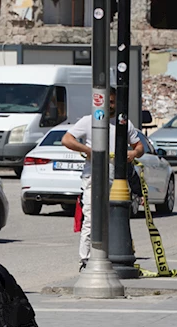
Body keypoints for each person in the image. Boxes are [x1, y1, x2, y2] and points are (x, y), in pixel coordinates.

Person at [62, 86, 144, 270]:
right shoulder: (89, 121)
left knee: (114, 218)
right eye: (107, 102)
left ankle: (111, 254)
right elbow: (67, 140)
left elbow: (139, 147)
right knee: (92, 217)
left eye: (113, 102)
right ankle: (85, 259)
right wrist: (89, 151)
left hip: (117, 179)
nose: (110, 106)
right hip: (94, 177)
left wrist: (133, 153)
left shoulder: (124, 123)